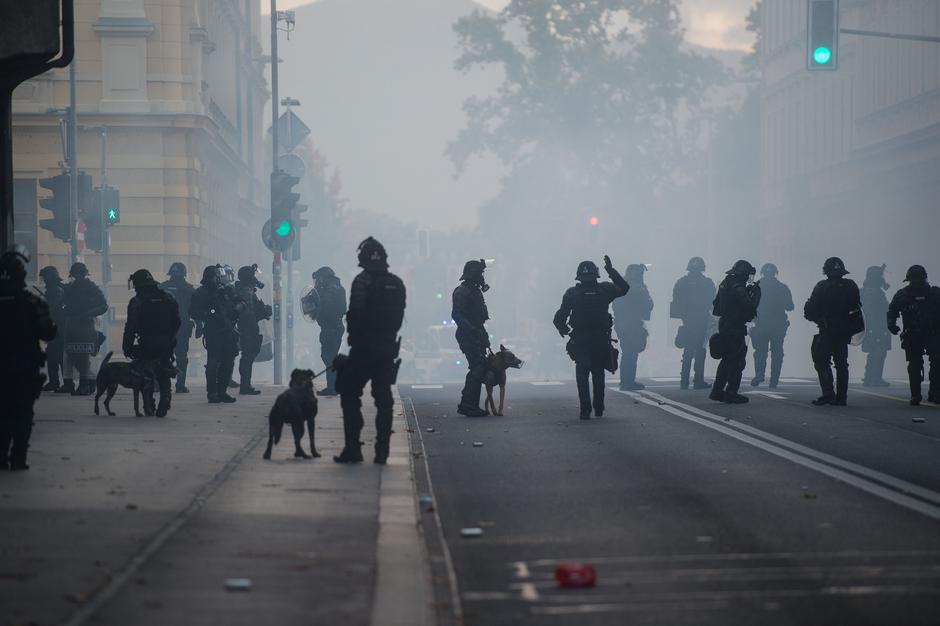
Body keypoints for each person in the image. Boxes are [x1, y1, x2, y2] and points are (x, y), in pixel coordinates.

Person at [334, 237, 406, 465]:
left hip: (363, 349)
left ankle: (353, 448)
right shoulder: (397, 283)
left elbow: (355, 314)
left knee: (349, 392)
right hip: (387, 349)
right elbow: (398, 319)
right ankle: (382, 451)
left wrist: (355, 340)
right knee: (384, 399)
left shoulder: (361, 281)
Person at [0, 246, 56, 470]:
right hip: (24, 366)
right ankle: (18, 456)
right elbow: (48, 332)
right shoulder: (32, 302)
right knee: (22, 412)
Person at [553, 256, 629, 419]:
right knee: (598, 372)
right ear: (596, 275)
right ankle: (599, 407)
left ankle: (585, 409)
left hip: (581, 339)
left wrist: (563, 329)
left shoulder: (572, 293)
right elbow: (624, 288)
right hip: (600, 339)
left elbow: (559, 317)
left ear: (579, 277)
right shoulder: (605, 290)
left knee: (582, 373)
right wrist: (611, 270)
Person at [804, 257, 863, 406]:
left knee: (821, 361)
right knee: (842, 364)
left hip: (827, 329)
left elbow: (809, 310)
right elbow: (857, 308)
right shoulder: (851, 286)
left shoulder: (822, 287)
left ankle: (828, 393)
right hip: (844, 330)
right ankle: (842, 397)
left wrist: (818, 319)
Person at [123, 270, 181, 417]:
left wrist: (127, 345)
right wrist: (171, 337)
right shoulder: (168, 297)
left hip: (147, 342)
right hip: (166, 342)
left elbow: (131, 326)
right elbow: (177, 321)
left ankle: (149, 404)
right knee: (163, 371)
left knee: (145, 374)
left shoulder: (137, 301)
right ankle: (166, 397)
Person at [887, 265, 940, 406]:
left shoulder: (935, 293)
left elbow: (891, 312)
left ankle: (934, 393)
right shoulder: (903, 295)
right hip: (914, 334)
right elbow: (891, 312)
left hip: (932, 334)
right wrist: (891, 324)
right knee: (916, 365)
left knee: (934, 364)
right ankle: (917, 394)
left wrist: (892, 324)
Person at [710, 260, 761, 404]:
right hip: (735, 326)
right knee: (736, 361)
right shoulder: (738, 287)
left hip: (725, 324)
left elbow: (716, 306)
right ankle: (731, 392)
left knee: (726, 360)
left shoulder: (725, 284)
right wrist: (755, 295)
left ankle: (717, 390)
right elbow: (749, 307)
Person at [190, 264, 243, 403]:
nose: (217, 280)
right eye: (215, 277)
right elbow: (193, 312)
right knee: (213, 363)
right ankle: (212, 393)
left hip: (228, 331)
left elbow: (240, 302)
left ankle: (222, 391)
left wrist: (237, 309)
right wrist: (209, 315)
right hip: (214, 331)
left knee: (228, 362)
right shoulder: (201, 293)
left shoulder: (225, 291)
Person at [60, 262, 108, 395]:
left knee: (83, 357)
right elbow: (64, 304)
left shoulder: (91, 288)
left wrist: (88, 314)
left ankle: (84, 385)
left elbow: (103, 306)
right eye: (76, 274)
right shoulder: (71, 288)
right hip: (71, 325)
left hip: (85, 324)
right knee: (72, 356)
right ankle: (89, 382)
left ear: (84, 274)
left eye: (80, 274)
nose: (78, 277)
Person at [452, 259, 491, 417]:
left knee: (479, 366)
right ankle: (468, 404)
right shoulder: (462, 291)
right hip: (467, 334)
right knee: (477, 366)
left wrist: (483, 336)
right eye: (480, 273)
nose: (482, 276)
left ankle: (470, 404)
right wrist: (472, 331)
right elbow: (457, 314)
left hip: (476, 332)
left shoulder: (474, 291)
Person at [671, 257, 716, 390]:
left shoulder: (681, 282)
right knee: (700, 351)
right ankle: (698, 381)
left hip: (688, 321)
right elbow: (712, 301)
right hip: (701, 320)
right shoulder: (707, 283)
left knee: (688, 351)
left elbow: (676, 301)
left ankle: (684, 381)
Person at [750, 263, 793, 388]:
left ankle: (759, 374)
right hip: (778, 325)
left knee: (760, 352)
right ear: (775, 273)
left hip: (760, 324)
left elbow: (749, 305)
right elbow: (790, 306)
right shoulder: (782, 287)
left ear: (762, 273)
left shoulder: (755, 287)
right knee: (777, 353)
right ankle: (774, 380)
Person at [613, 264, 653, 391]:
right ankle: (628, 382)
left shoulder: (620, 285)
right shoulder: (638, 288)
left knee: (627, 353)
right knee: (631, 353)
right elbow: (648, 305)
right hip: (633, 324)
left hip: (622, 323)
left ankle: (626, 381)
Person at [234, 264, 272, 395]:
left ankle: (245, 384)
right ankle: (245, 385)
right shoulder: (246, 291)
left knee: (247, 357)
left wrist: (263, 311)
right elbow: (248, 314)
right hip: (248, 329)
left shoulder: (245, 290)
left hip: (246, 328)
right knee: (247, 357)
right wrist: (262, 313)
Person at [161, 262, 196, 393]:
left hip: (163, 328)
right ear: (184, 274)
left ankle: (161, 383)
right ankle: (180, 385)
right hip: (181, 328)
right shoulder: (189, 289)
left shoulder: (161, 287)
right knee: (181, 357)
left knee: (163, 356)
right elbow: (194, 310)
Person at [312, 266, 347, 396]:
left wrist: (316, 299)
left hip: (331, 327)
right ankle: (332, 386)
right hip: (333, 327)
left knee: (328, 357)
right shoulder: (336, 287)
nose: (318, 281)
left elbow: (325, 303)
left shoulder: (331, 289)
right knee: (329, 357)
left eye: (320, 278)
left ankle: (333, 387)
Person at [861, 264, 892, 387]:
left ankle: (870, 377)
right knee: (878, 352)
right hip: (876, 327)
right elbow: (872, 312)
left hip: (876, 327)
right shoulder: (871, 292)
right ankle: (874, 378)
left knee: (876, 352)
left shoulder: (872, 291)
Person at [39, 266, 66, 391]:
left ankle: (65, 382)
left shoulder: (56, 290)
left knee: (59, 356)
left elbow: (53, 307)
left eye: (46, 277)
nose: (44, 280)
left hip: (59, 327)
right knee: (52, 356)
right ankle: (54, 382)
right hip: (54, 326)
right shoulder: (52, 290)